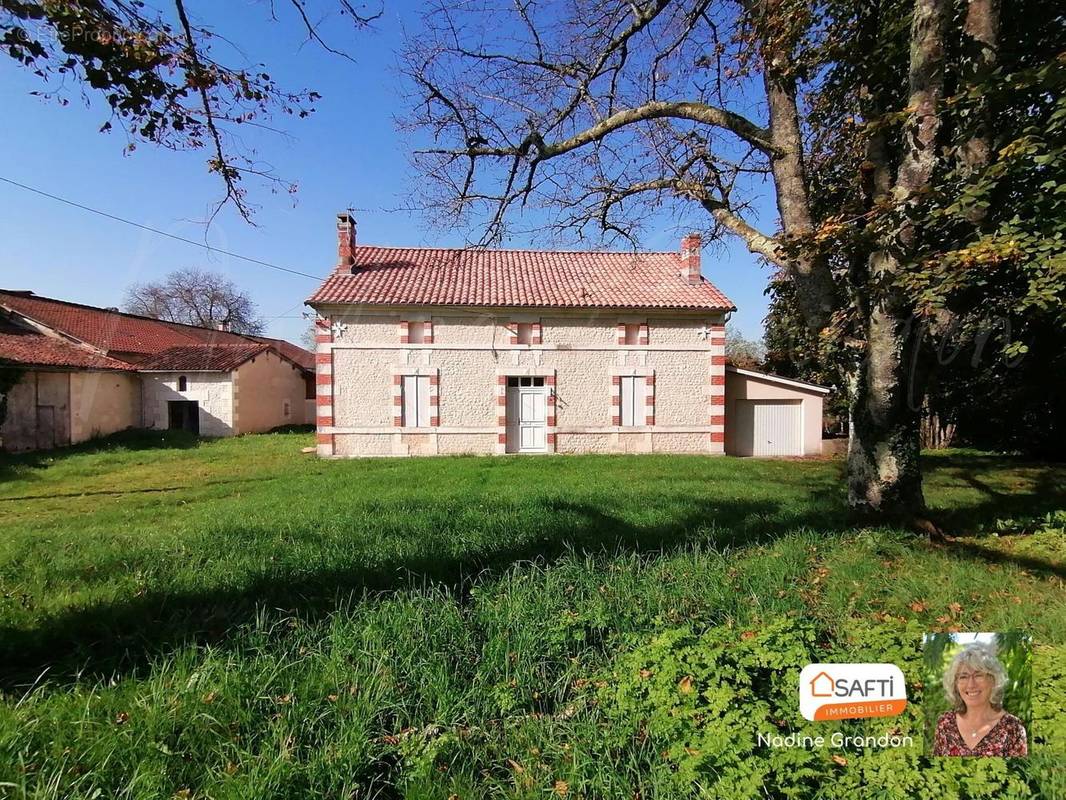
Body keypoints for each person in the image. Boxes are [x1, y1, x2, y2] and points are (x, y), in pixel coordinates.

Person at [932, 642, 1027, 757]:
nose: (971, 685)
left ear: (993, 680)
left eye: (978, 675)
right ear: (955, 684)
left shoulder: (1013, 728)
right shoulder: (945, 723)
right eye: (963, 677)